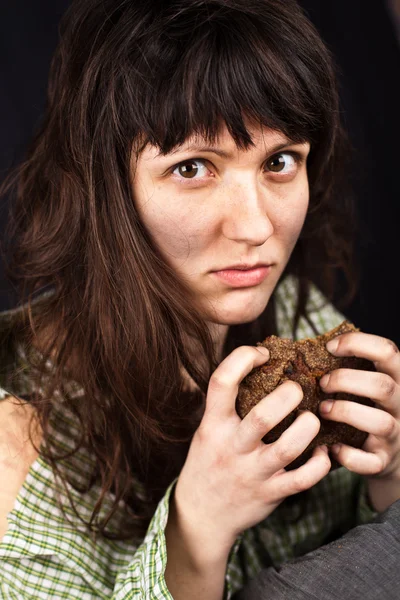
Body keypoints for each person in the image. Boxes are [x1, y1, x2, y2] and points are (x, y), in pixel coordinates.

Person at [0, 1, 399, 598]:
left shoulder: (301, 312)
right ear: (101, 186)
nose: (256, 226)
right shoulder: (15, 447)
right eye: (193, 167)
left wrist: (390, 472)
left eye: (279, 161)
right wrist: (198, 527)